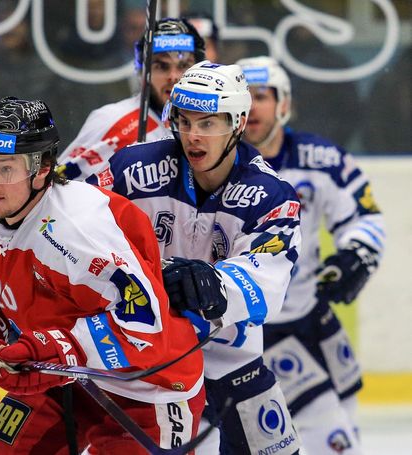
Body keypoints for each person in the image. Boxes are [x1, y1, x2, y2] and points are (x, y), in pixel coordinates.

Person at [0, 96, 206, 454]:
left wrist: (57, 348)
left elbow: (146, 324)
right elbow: (3, 275)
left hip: (149, 387)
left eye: (7, 169)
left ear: (44, 168)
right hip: (63, 380)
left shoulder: (81, 233)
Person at [84, 61, 303, 454]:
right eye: (184, 121)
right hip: (150, 367)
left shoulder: (271, 195)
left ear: (238, 123)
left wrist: (213, 283)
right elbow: (74, 221)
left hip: (231, 366)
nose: (193, 137)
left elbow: (268, 277)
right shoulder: (132, 167)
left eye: (208, 124)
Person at [237, 55, 385, 454]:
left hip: (311, 317)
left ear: (284, 103)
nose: (253, 106)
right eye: (245, 97)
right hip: (244, 333)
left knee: (345, 429)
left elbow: (364, 217)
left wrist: (356, 254)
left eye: (262, 96)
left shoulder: (321, 159)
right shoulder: (215, 167)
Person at [57, 17, 206, 182]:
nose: (173, 77)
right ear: (142, 71)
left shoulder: (215, 123)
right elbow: (60, 184)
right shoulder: (113, 120)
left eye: (184, 66)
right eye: (162, 66)